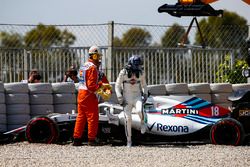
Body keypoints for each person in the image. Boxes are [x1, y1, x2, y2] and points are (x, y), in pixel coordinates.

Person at [73, 45, 112, 146]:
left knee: (81, 117)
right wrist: (100, 85)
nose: (99, 59)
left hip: (80, 94)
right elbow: (91, 86)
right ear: (94, 56)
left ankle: (76, 139)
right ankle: (91, 139)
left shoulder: (84, 66)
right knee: (92, 117)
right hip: (88, 95)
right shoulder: (93, 68)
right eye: (98, 56)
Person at [115, 55, 148, 147]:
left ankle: (143, 122)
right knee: (128, 119)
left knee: (139, 110)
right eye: (136, 65)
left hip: (137, 96)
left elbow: (144, 85)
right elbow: (117, 86)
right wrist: (120, 97)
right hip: (126, 98)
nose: (138, 67)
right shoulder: (123, 73)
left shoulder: (141, 73)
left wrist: (145, 94)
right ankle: (129, 140)